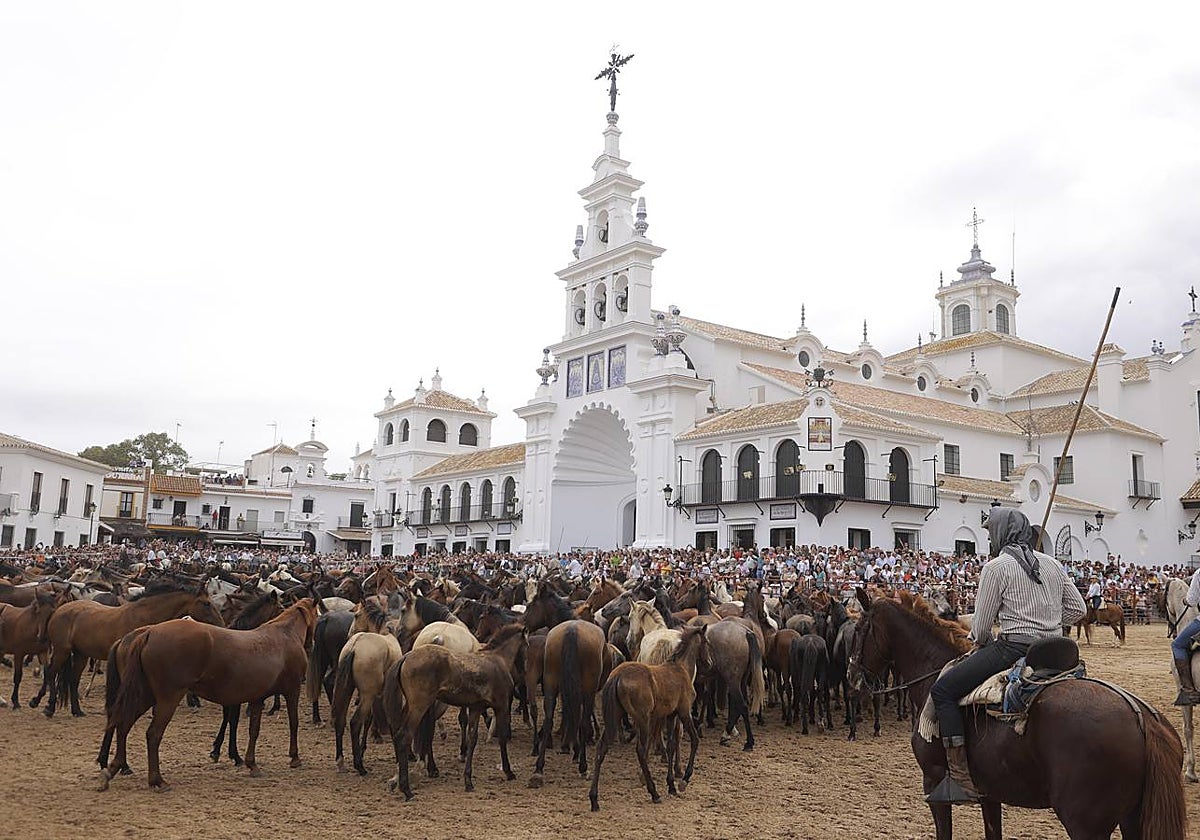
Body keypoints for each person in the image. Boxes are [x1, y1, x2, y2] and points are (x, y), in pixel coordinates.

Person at [927, 508, 1086, 804]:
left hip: (1014, 648)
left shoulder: (997, 567)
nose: (989, 538)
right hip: (1056, 650)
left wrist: (984, 641)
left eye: (990, 533)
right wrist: (1049, 620)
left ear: (1000, 533)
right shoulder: (1051, 563)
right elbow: (1079, 610)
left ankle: (960, 777)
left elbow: (982, 628)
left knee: (943, 690)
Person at [1169, 566, 1200, 705]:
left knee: (1177, 645)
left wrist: (1185, 601)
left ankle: (1187, 689)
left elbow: (1192, 600)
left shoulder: (1199, 573)